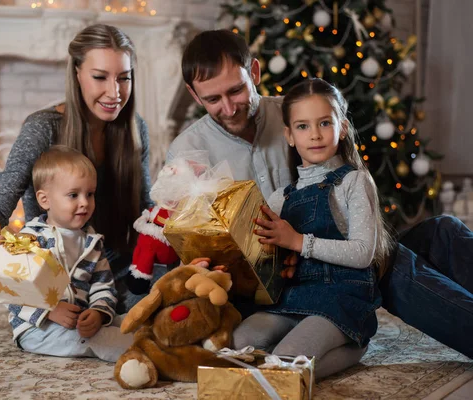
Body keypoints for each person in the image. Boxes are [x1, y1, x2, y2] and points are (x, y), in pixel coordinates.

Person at [169, 29, 473, 360]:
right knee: (391, 268)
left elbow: (343, 190)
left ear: (254, 73)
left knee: (442, 230)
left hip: (331, 253)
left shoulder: (296, 115)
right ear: (194, 95)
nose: (228, 108)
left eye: (237, 90)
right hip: (275, 286)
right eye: (213, 99)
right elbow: (195, 247)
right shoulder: (188, 154)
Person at [0, 24, 152, 314]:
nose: (114, 92)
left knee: (184, 291)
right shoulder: (42, 128)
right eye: (99, 77)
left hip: (116, 272)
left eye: (124, 78)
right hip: (58, 279)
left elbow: (147, 209)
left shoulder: (135, 128)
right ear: (77, 74)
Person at [232, 78, 391, 379]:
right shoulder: (281, 197)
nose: (315, 135)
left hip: (340, 298)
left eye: (324, 123)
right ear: (289, 136)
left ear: (342, 128)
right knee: (240, 343)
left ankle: (352, 344)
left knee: (285, 363)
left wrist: (297, 241)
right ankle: (287, 362)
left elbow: (362, 254)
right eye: (303, 126)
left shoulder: (354, 181)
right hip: (294, 297)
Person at [8, 146, 133, 362]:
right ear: (44, 200)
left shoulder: (91, 241)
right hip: (37, 329)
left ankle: (149, 335)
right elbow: (12, 290)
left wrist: (98, 313)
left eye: (90, 194)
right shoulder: (30, 240)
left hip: (78, 320)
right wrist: (49, 311)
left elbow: (103, 286)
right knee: (101, 339)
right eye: (73, 195)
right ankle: (141, 352)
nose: (84, 202)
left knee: (124, 321)